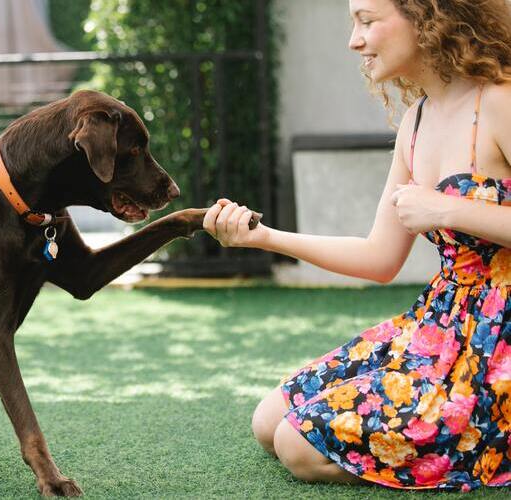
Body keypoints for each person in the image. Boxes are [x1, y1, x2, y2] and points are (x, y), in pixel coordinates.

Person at [203, 0, 511, 491]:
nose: (354, 40)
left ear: (429, 16)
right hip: (439, 327)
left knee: (298, 447)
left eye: (367, 21)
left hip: (497, 348)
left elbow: (440, 213)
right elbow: (379, 257)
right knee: (269, 423)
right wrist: (264, 237)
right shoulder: (416, 121)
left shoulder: (499, 101)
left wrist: (447, 210)